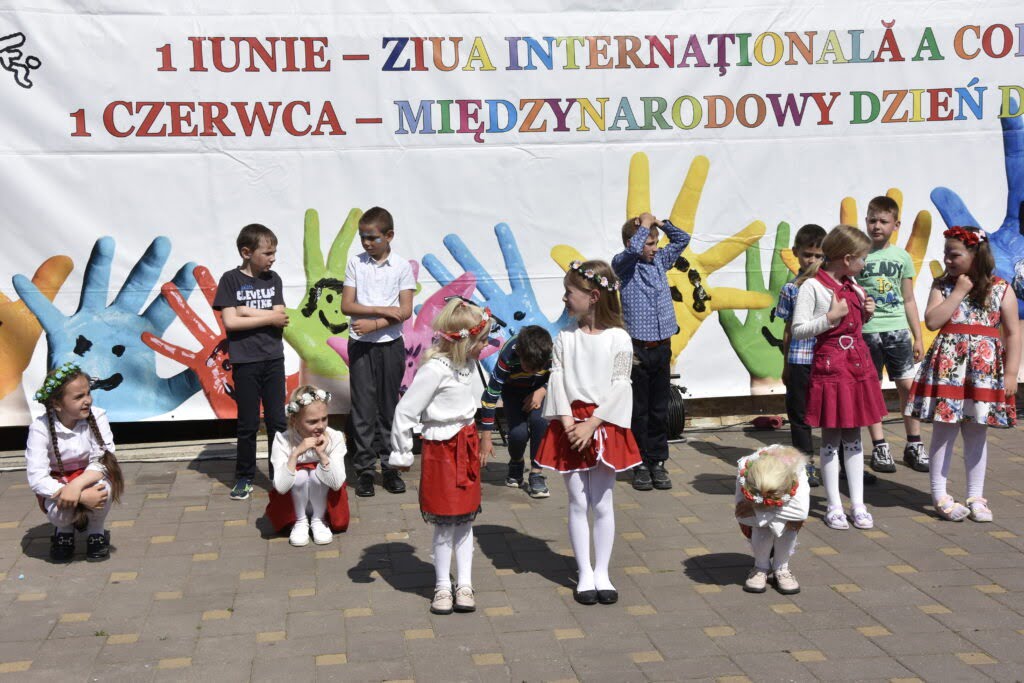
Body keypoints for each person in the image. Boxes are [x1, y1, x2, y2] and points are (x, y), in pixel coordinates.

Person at [536, 260, 641, 606]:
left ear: (593, 296)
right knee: (578, 500)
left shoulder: (619, 338)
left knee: (603, 500)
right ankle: (584, 572)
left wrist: (592, 423)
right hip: (571, 425)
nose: (564, 298)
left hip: (603, 423)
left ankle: (602, 572)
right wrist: (569, 424)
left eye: (569, 292)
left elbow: (621, 384)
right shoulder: (565, 337)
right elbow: (557, 380)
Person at [906, 226, 1019, 522]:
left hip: (983, 373)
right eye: (946, 253)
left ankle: (976, 496)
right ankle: (939, 495)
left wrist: (1011, 373)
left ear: (975, 254)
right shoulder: (943, 286)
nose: (947, 259)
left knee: (976, 432)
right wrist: (958, 292)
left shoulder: (1001, 288)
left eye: (954, 254)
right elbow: (933, 321)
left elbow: (1012, 332)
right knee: (944, 431)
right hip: (949, 371)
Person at [389, 299, 493, 615]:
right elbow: (405, 411)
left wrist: (481, 436)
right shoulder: (435, 370)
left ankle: (465, 584)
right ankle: (443, 586)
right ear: (463, 341)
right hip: (442, 452)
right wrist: (402, 452)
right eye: (482, 340)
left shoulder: (468, 365)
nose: (486, 346)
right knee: (445, 522)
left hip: (466, 446)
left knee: (466, 519)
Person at [792, 225, 888, 530]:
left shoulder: (853, 284)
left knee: (854, 437)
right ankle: (834, 505)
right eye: (862, 258)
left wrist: (868, 311)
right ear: (847, 259)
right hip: (831, 368)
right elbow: (798, 329)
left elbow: (855, 323)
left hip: (857, 366)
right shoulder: (812, 287)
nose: (865, 263)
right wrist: (829, 318)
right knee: (831, 438)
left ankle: (858, 504)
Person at [612, 212, 690, 491]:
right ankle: (639, 463)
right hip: (637, 349)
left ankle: (657, 461)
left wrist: (659, 225)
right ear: (632, 243)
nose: (655, 248)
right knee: (639, 410)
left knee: (659, 409)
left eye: (656, 243)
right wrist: (643, 226)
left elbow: (682, 239)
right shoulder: (624, 265)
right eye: (649, 243)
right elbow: (632, 251)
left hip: (661, 346)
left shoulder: (659, 261)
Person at [341, 207, 416, 498]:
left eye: (372, 237)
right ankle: (364, 470)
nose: (366, 242)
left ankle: (390, 467)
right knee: (363, 408)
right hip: (360, 345)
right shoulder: (356, 263)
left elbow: (405, 311)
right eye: (363, 237)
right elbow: (347, 305)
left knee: (389, 407)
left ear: (389, 236)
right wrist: (383, 309)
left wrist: (374, 324)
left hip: (390, 345)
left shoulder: (401, 267)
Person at [213, 223, 289, 501]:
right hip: (245, 362)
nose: (273, 258)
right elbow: (231, 322)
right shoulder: (230, 280)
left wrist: (245, 310)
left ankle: (279, 474)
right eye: (267, 253)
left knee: (277, 421)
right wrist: (265, 316)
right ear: (247, 252)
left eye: (274, 252)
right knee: (248, 423)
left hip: (273, 359)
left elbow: (281, 316)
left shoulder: (273, 279)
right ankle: (244, 476)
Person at [25, 363, 124, 562]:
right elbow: (37, 477)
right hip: (58, 483)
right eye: (79, 397)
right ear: (57, 404)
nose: (87, 400)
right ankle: (64, 531)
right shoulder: (40, 428)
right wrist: (78, 496)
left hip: (88, 477)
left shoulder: (97, 416)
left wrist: (77, 487)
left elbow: (102, 460)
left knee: (102, 491)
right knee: (61, 514)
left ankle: (96, 531)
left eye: (88, 393)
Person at [856, 196, 927, 473]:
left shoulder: (902, 257)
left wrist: (918, 336)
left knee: (907, 386)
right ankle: (880, 446)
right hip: (867, 332)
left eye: (884, 221)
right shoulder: (857, 254)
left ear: (895, 225)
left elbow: (908, 299)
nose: (877, 226)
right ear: (865, 221)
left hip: (897, 331)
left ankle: (914, 444)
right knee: (871, 388)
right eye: (872, 220)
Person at [265, 385, 349, 546]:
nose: (321, 426)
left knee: (317, 473)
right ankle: (300, 521)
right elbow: (280, 487)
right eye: (312, 421)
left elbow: (337, 483)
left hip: (325, 502)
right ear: (294, 420)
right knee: (301, 474)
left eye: (324, 418)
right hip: (293, 505)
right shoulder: (282, 440)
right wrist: (295, 454)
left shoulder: (335, 437)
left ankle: (319, 519)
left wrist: (322, 455)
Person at [776, 224, 826, 487]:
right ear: (796, 252)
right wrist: (785, 364)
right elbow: (787, 329)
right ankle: (805, 465)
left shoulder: (831, 286)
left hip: (827, 360)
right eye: (808, 254)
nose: (813, 261)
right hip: (799, 359)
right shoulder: (791, 289)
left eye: (819, 256)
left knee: (833, 414)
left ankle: (838, 463)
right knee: (799, 414)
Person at [479, 325, 553, 498]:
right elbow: (490, 395)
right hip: (512, 391)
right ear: (520, 354)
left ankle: (536, 472)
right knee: (518, 434)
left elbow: (560, 375)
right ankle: (516, 463)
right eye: (529, 367)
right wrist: (486, 437)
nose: (533, 372)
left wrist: (542, 390)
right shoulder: (509, 353)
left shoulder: (551, 352)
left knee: (540, 423)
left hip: (539, 390)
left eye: (538, 368)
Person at [735, 445, 809, 595]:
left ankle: (781, 567)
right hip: (768, 507)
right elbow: (742, 516)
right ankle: (761, 566)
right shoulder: (745, 472)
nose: (767, 500)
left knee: (790, 525)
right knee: (761, 526)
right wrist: (766, 511)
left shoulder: (798, 472)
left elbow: (800, 513)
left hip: (784, 503)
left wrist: (758, 509)